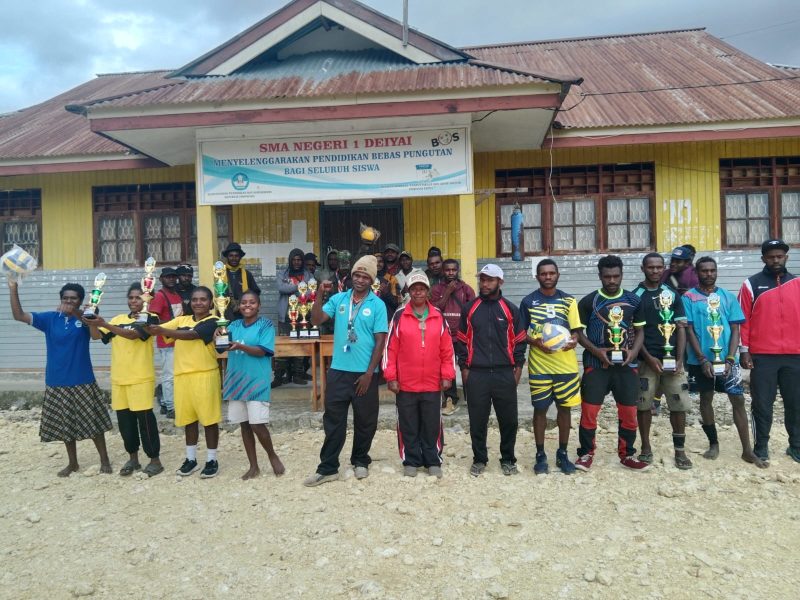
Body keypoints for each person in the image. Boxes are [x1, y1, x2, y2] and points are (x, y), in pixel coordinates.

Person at [8, 279, 112, 476]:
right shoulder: (50, 318)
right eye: (65, 298)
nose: (69, 301)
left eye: (74, 299)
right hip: (56, 380)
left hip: (83, 379)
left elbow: (97, 334)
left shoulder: (86, 318)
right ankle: (73, 463)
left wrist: (76, 313)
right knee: (65, 425)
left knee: (94, 423)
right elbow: (19, 315)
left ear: (80, 301)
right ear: (60, 299)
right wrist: (13, 289)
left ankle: (104, 459)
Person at [304, 255, 388, 487]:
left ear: (371, 280)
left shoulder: (377, 305)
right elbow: (316, 319)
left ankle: (360, 460)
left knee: (365, 420)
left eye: (365, 276)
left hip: (364, 374)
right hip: (339, 371)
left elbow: (380, 340)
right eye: (356, 275)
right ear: (351, 277)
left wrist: (370, 373)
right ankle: (328, 467)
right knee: (333, 420)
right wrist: (320, 294)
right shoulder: (340, 299)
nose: (360, 279)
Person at [683, 257, 765, 467]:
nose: (709, 274)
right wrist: (701, 359)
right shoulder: (689, 298)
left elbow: (736, 328)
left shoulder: (727, 297)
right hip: (699, 361)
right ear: (697, 272)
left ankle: (747, 450)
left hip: (728, 361)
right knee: (706, 399)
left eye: (712, 270)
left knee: (737, 400)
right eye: (704, 271)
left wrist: (730, 358)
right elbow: (689, 329)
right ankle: (713, 443)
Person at [575, 255, 650, 471]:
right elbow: (579, 334)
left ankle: (627, 455)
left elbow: (640, 330)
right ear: (600, 276)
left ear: (622, 275)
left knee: (628, 413)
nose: (612, 281)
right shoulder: (589, 301)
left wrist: (633, 353)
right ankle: (586, 453)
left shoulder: (634, 300)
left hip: (626, 367)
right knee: (589, 412)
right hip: (596, 366)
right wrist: (597, 352)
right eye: (607, 276)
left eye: (616, 276)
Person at [455, 264, 526, 477]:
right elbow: (462, 340)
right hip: (477, 373)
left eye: (490, 280)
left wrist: (519, 367)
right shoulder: (470, 308)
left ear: (500, 282)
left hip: (505, 373)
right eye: (482, 279)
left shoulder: (510, 309)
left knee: (509, 421)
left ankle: (508, 459)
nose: (484, 284)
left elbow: (519, 341)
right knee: (477, 420)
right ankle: (479, 459)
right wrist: (465, 367)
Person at [86, 284, 163, 477]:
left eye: (138, 297)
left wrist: (104, 324)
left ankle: (155, 460)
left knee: (145, 421)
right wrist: (92, 321)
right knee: (125, 422)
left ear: (146, 299)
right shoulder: (118, 319)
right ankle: (133, 458)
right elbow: (97, 337)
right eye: (131, 297)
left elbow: (132, 335)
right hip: (119, 379)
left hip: (141, 378)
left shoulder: (149, 318)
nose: (134, 301)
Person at [383, 270, 455, 478]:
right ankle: (411, 459)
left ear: (427, 291)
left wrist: (447, 375)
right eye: (414, 289)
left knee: (432, 424)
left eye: (422, 289)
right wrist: (391, 376)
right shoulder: (399, 315)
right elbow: (390, 348)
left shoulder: (438, 316)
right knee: (408, 422)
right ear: (409, 291)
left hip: (433, 383)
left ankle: (432, 459)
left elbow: (447, 349)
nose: (418, 293)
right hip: (406, 383)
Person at [147, 287, 222, 479]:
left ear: (211, 303)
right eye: (195, 299)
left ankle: (212, 459)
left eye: (203, 299)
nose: (198, 303)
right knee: (188, 420)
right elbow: (156, 326)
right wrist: (146, 310)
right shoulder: (182, 320)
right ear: (190, 302)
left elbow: (193, 335)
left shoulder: (213, 321)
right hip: (182, 376)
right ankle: (191, 459)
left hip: (205, 375)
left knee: (209, 420)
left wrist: (165, 329)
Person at [738, 239, 800, 464]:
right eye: (771, 256)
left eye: (780, 256)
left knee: (796, 403)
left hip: (795, 355)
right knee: (762, 404)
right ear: (763, 258)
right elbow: (742, 321)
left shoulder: (798, 283)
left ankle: (796, 447)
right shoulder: (750, 284)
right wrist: (744, 351)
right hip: (762, 356)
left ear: (786, 257)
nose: (776, 260)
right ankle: (761, 447)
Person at [519, 259, 581, 475]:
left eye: (551, 273)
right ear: (537, 276)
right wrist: (535, 342)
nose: (547, 276)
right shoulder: (528, 302)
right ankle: (540, 455)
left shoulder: (569, 301)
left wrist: (573, 339)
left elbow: (576, 331)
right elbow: (521, 334)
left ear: (558, 275)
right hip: (540, 366)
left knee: (565, 409)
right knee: (540, 410)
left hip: (566, 366)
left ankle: (563, 453)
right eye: (543, 273)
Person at [633, 253, 692, 469]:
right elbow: (635, 332)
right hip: (646, 360)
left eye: (659, 267)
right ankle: (646, 448)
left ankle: (680, 451)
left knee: (678, 405)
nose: (655, 271)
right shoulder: (635, 295)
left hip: (672, 362)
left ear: (663, 268)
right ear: (643, 268)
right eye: (651, 267)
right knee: (643, 405)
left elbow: (681, 328)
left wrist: (679, 359)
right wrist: (648, 358)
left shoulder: (672, 294)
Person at [220, 290, 285, 480]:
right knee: (244, 425)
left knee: (258, 424)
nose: (247, 306)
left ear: (259, 305)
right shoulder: (232, 324)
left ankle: (272, 455)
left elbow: (262, 351)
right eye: (244, 303)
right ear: (238, 306)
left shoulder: (265, 325)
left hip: (257, 381)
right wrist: (219, 334)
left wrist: (240, 347)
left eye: (252, 303)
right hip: (235, 381)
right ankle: (253, 466)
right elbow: (221, 346)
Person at [430, 258, 475, 415]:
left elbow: (472, 312)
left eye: (453, 270)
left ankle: (473, 399)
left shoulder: (466, 289)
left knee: (466, 367)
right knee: (446, 368)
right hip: (444, 336)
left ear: (458, 270)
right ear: (443, 271)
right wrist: (448, 292)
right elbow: (435, 310)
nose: (450, 273)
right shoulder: (436, 289)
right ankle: (450, 399)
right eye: (447, 270)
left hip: (462, 336)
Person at [274, 247, 313, 387]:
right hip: (285, 316)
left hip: (302, 316)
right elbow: (281, 288)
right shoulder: (282, 274)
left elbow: (310, 292)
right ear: (290, 261)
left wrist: (293, 288)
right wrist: (300, 288)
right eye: (294, 260)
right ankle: (279, 376)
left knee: (300, 346)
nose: (296, 262)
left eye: (299, 260)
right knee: (283, 347)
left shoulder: (308, 275)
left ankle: (297, 374)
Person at [148, 266, 184, 418]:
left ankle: (166, 402)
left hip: (178, 341)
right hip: (166, 342)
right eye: (167, 277)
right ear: (161, 279)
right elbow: (153, 321)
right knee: (169, 376)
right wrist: (174, 323)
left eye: (173, 277)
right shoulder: (160, 296)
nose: (171, 279)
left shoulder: (176, 294)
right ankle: (170, 407)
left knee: (176, 375)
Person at [221, 242, 261, 319]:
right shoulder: (221, 273)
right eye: (231, 256)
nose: (234, 258)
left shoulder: (246, 274)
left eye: (236, 256)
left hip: (244, 313)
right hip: (226, 314)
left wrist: (246, 301)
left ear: (240, 257)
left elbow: (256, 292)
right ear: (227, 257)